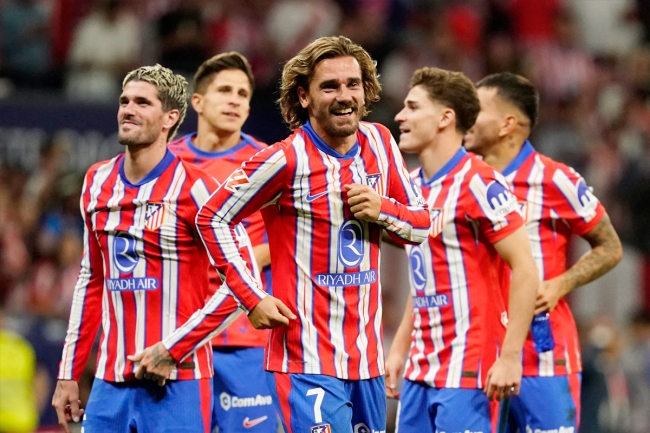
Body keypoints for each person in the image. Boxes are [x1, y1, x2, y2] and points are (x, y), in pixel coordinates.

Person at [131, 35, 431, 433]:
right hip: (306, 360)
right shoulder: (284, 159)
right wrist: (251, 297)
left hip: (367, 359)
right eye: (330, 86)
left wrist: (383, 210)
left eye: (353, 84)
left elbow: (421, 226)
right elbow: (212, 217)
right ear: (304, 96)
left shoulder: (380, 141)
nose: (345, 96)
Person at [51, 64, 243, 433]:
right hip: (109, 384)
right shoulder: (96, 182)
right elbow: (91, 280)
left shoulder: (197, 188)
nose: (128, 109)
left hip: (179, 382)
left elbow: (241, 284)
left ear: (170, 117)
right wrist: (68, 373)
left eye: (142, 102)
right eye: (124, 101)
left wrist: (175, 347)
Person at [463, 72, 624, 432]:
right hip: (479, 353)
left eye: (477, 109)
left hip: (542, 354)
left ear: (508, 124)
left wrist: (559, 285)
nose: (466, 115)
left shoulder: (554, 179)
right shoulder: (463, 180)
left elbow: (611, 247)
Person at [384, 67, 538, 433]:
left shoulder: (479, 181)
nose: (400, 116)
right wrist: (399, 348)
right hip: (420, 368)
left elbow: (526, 269)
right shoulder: (410, 187)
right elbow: (425, 278)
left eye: (413, 107)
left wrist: (510, 357)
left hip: (469, 369)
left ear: (445, 118)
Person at [167, 52, 277, 433]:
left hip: (245, 336)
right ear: (197, 101)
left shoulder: (268, 162)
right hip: (180, 333)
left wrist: (250, 258)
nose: (235, 100)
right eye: (225, 90)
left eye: (243, 94)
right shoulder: (168, 161)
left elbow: (297, 237)